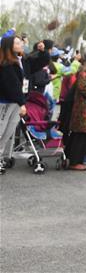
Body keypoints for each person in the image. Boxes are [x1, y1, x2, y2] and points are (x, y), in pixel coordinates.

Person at [0, 35, 27, 175]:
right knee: (1, 131)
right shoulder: (6, 64)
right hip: (5, 102)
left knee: (8, 132)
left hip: (15, 102)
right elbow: (12, 86)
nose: (21, 44)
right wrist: (21, 103)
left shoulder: (17, 60)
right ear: (9, 45)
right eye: (17, 42)